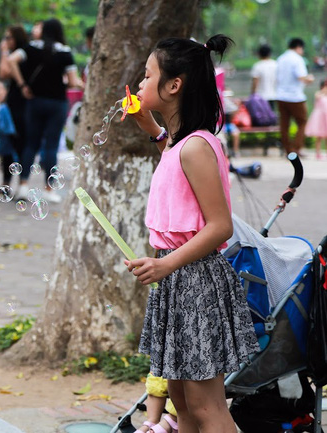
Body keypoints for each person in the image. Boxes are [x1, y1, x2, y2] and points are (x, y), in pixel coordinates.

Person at [126, 34, 259, 433]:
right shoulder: (180, 143)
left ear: (174, 85)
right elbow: (172, 155)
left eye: (148, 76)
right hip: (178, 282)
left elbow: (220, 226)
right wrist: (148, 125)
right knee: (181, 402)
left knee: (206, 407)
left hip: (195, 283)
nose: (141, 83)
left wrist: (164, 264)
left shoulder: (196, 147)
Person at [7, 18, 84, 203]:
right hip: (57, 104)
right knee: (51, 146)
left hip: (34, 102)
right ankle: (49, 189)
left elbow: (11, 60)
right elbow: (73, 82)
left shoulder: (31, 47)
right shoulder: (65, 52)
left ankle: (23, 186)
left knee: (30, 144)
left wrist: (22, 84)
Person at [0, 25, 29, 192]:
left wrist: (4, 53)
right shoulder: (15, 54)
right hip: (13, 103)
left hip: (23, 105)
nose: (5, 41)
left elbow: (3, 72)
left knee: (21, 143)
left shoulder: (23, 54)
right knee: (8, 143)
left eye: (8, 38)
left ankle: (22, 184)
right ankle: (7, 184)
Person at [276, 38, 314, 155]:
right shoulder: (297, 59)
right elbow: (301, 77)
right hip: (295, 97)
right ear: (298, 47)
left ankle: (288, 150)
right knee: (302, 122)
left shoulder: (280, 58)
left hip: (281, 96)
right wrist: (310, 79)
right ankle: (296, 149)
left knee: (284, 124)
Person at [304, 79, 327, 160]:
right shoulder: (318, 93)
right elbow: (317, 98)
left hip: (326, 117)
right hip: (320, 117)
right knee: (319, 137)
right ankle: (318, 153)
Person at [250, 44, 277, 110]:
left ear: (259, 54)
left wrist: (252, 95)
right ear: (270, 53)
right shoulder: (276, 65)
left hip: (260, 97)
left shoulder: (257, 66)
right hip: (274, 96)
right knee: (271, 116)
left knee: (261, 118)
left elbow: (255, 83)